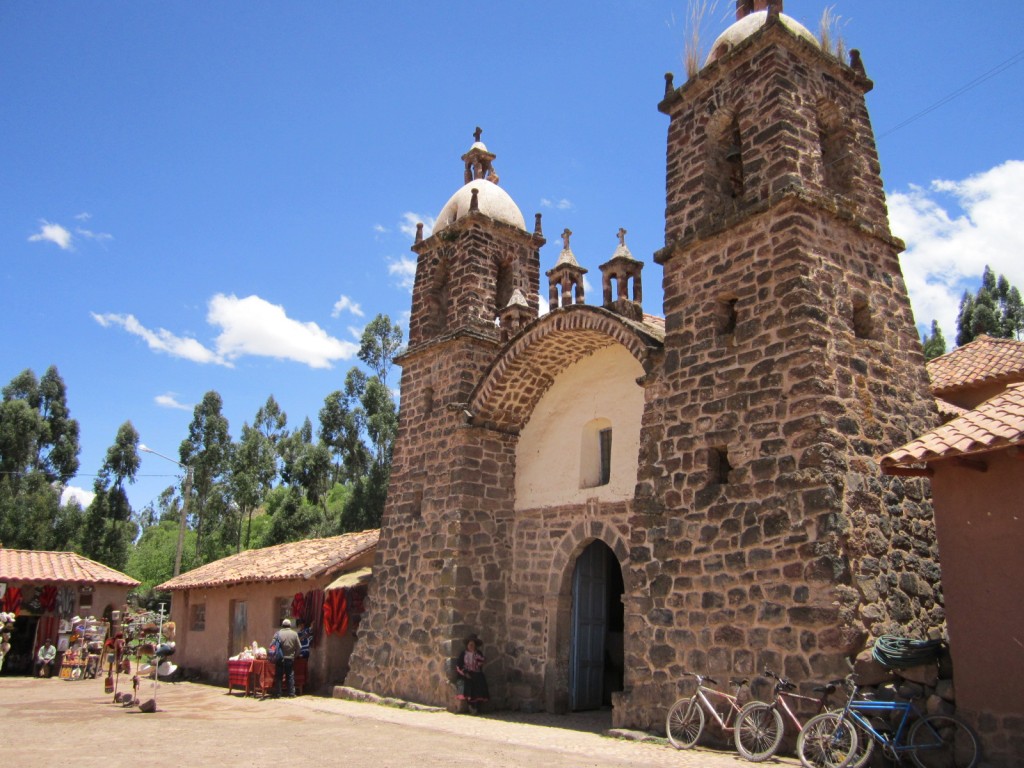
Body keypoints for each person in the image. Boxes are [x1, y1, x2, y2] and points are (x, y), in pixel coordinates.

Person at [454, 633, 489, 714]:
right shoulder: (463, 654)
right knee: (466, 682)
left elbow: (482, 661)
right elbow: (459, 665)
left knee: (479, 680)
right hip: (465, 674)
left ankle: (477, 704)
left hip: (476, 673)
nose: (471, 646)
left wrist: (479, 661)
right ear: (467, 645)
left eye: (473, 644)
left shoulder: (478, 653)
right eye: (470, 644)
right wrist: (465, 672)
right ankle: (470, 705)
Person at [271, 618, 301, 698]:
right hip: (290, 658)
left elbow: (273, 646)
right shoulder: (294, 634)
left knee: (279, 676)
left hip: (279, 658)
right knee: (290, 675)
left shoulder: (278, 634)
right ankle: (291, 693)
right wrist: (295, 656)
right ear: (290, 625)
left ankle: (278, 693)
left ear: (282, 625)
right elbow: (299, 647)